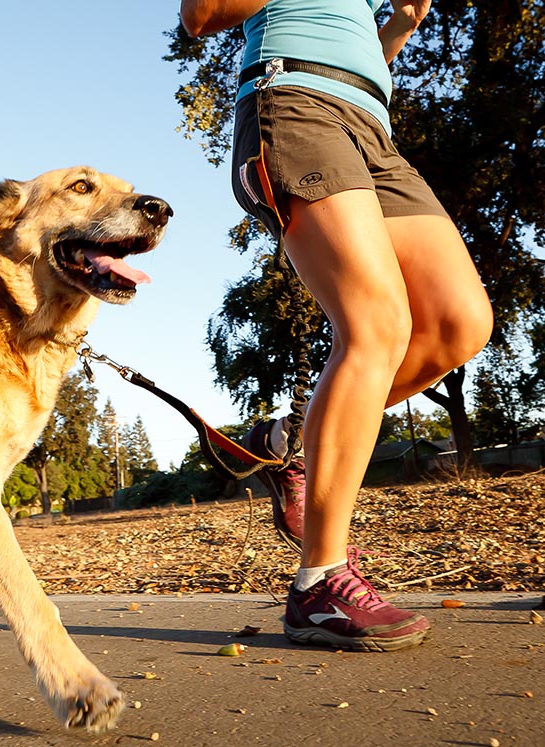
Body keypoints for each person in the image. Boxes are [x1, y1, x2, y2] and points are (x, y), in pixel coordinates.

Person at [180, 0, 493, 651]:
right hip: (295, 104)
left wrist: (400, 25)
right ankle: (319, 583)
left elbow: (356, 51)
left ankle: (291, 444)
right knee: (376, 325)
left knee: (458, 324)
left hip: (372, 132)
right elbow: (201, 14)